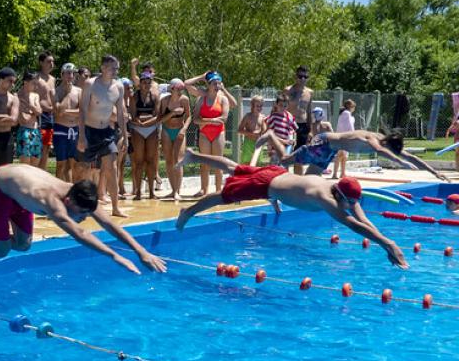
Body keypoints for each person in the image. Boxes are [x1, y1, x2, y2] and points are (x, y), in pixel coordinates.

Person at [175, 150, 408, 268]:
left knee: (235, 167)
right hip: (266, 185)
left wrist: (384, 239)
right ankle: (188, 211)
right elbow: (353, 224)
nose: (352, 206)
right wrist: (388, 244)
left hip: (277, 174)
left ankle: (193, 155)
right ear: (340, 197)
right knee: (223, 197)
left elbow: (360, 216)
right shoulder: (324, 197)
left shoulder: (335, 187)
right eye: (349, 202)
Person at [0, 164, 167, 273]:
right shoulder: (53, 204)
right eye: (81, 215)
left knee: (23, 245)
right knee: (1, 251)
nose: (84, 219)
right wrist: (115, 256)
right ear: (69, 203)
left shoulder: (80, 195)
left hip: (18, 195)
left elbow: (109, 224)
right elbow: (80, 235)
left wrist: (141, 251)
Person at [276, 129, 448, 180]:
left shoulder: (387, 143)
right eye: (392, 152)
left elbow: (412, 157)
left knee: (309, 180)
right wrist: (400, 163)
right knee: (285, 161)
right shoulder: (373, 139)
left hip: (331, 151)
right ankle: (271, 137)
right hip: (324, 142)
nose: (393, 155)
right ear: (388, 143)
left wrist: (434, 172)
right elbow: (381, 151)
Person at [77, 55, 129, 217]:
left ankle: (115, 207)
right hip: (90, 131)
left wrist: (125, 136)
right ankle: (81, 204)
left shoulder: (118, 87)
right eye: (113, 68)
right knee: (84, 169)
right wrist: (82, 136)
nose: (116, 71)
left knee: (111, 169)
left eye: (117, 68)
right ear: (103, 68)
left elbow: (120, 114)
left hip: (106, 132)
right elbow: (83, 110)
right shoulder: (90, 84)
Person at [192, 72, 229, 196]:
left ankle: (218, 190)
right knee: (204, 163)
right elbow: (195, 119)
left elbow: (224, 118)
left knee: (218, 162)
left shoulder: (223, 99)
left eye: (218, 83)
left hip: (218, 133)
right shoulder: (201, 99)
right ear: (208, 84)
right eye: (214, 83)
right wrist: (213, 120)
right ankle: (204, 189)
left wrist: (205, 121)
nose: (217, 85)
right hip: (204, 134)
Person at [158, 78, 191, 200]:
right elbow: (160, 120)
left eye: (182, 88)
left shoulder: (184, 100)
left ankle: (178, 191)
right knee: (169, 161)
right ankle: (173, 190)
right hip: (166, 130)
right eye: (179, 88)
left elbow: (188, 117)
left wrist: (184, 129)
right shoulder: (164, 101)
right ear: (172, 89)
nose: (181, 90)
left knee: (178, 160)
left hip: (179, 130)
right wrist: (172, 113)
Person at [129, 72, 160, 200]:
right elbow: (132, 114)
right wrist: (140, 121)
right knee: (139, 161)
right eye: (144, 82)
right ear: (140, 83)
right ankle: (138, 192)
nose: (146, 85)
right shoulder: (134, 96)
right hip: (138, 129)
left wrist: (146, 122)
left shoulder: (155, 96)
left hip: (151, 128)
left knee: (151, 160)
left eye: (149, 82)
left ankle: (152, 192)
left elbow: (157, 115)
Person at [53, 63, 81, 183]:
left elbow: (81, 112)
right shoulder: (55, 92)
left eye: (73, 73)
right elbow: (58, 113)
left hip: (74, 130)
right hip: (61, 130)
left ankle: (71, 189)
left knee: (73, 164)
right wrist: (68, 94)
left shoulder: (79, 91)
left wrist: (66, 112)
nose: (71, 76)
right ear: (62, 74)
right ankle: (57, 189)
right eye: (68, 73)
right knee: (61, 163)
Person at [252, 94, 297, 166]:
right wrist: (271, 146)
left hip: (286, 147)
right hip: (275, 148)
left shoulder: (289, 116)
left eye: (285, 106)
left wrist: (294, 140)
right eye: (280, 105)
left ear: (288, 106)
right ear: (276, 104)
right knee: (274, 167)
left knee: (284, 167)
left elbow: (293, 130)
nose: (283, 108)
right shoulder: (273, 117)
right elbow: (270, 134)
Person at [285, 66, 314, 175]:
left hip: (302, 127)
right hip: (289, 126)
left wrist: (310, 130)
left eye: (305, 77)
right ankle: (285, 181)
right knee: (286, 155)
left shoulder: (309, 92)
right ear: (295, 77)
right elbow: (281, 108)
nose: (302, 79)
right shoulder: (288, 90)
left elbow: (309, 111)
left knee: (299, 157)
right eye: (300, 76)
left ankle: (298, 181)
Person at [15, 71, 42, 166]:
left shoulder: (35, 96)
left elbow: (39, 112)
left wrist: (30, 106)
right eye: (33, 83)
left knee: (35, 164)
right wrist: (33, 112)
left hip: (35, 131)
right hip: (24, 132)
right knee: (25, 165)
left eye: (36, 83)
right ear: (25, 82)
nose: (36, 86)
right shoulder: (17, 97)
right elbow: (23, 119)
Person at [34, 51, 56, 171]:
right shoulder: (36, 78)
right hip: (40, 115)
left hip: (51, 116)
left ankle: (43, 173)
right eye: (48, 61)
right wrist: (46, 108)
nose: (51, 64)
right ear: (41, 62)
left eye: (52, 61)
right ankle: (36, 174)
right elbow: (35, 97)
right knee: (39, 147)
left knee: (47, 147)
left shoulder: (52, 79)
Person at [237, 95, 266, 164]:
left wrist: (263, 129)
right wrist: (251, 133)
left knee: (258, 163)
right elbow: (239, 130)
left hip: (258, 143)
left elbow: (264, 131)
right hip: (248, 143)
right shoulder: (247, 116)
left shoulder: (263, 117)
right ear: (252, 106)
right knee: (246, 163)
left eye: (261, 106)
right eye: (257, 106)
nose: (259, 108)